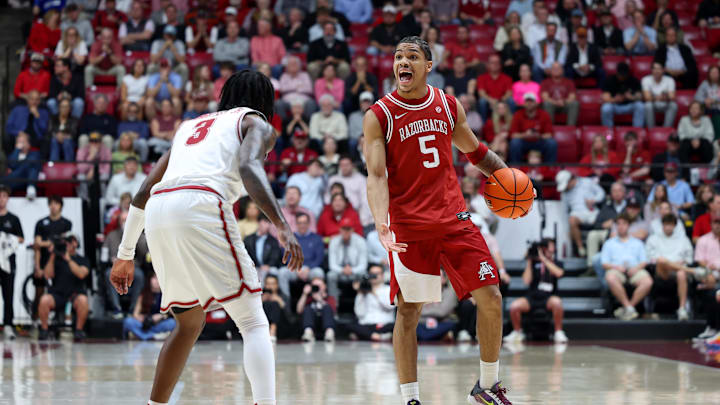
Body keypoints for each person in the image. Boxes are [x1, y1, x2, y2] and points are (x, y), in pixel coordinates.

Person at [109, 69, 304, 405]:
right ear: (264, 102)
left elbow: (142, 192)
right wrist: (282, 225)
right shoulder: (255, 121)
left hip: (159, 209)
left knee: (188, 323)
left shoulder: (189, 127)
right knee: (253, 320)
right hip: (200, 203)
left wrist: (125, 254)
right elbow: (249, 167)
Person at [364, 36, 520, 405]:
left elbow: (475, 152)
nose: (403, 62)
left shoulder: (448, 105)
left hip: (454, 219)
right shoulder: (380, 114)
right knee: (408, 311)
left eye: (412, 57)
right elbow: (376, 175)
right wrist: (380, 223)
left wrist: (508, 177)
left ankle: (486, 386)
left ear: (427, 66)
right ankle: (411, 398)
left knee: (492, 296)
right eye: (398, 56)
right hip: (409, 226)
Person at [505, 239, 568, 343]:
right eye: (549, 246)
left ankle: (558, 332)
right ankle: (517, 332)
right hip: (532, 297)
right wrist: (530, 260)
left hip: (548, 297)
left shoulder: (557, 262)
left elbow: (559, 273)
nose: (551, 248)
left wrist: (544, 260)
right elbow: (526, 280)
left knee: (557, 303)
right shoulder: (533, 263)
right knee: (514, 306)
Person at [601, 213, 653, 321]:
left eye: (624, 223)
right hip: (617, 270)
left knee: (648, 281)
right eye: (618, 224)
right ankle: (629, 307)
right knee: (610, 277)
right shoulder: (609, 243)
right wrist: (616, 267)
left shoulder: (638, 243)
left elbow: (644, 261)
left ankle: (628, 308)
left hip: (635, 270)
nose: (621, 226)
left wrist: (636, 268)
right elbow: (604, 263)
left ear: (629, 225)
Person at [37, 235, 90, 340]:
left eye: (69, 242)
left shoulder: (82, 259)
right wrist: (53, 255)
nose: (67, 245)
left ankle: (79, 331)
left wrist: (68, 259)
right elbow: (47, 275)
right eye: (66, 242)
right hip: (58, 294)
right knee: (44, 300)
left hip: (75, 294)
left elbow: (81, 274)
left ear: (75, 243)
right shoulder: (55, 259)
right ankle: (44, 330)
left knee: (83, 300)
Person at [645, 212, 695, 320]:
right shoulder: (653, 238)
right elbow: (651, 259)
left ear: (675, 226)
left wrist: (680, 264)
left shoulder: (683, 239)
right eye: (666, 224)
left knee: (681, 273)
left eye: (670, 224)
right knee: (662, 261)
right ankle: (691, 271)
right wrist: (673, 264)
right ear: (662, 225)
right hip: (661, 272)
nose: (668, 227)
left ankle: (682, 309)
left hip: (679, 272)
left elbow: (689, 258)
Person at [104, 210, 147, 318]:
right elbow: (105, 255)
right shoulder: (111, 235)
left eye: (127, 220)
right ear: (119, 221)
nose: (125, 223)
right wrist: (111, 260)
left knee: (139, 276)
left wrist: (134, 237)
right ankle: (117, 308)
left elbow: (144, 253)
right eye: (123, 220)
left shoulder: (138, 235)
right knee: (109, 274)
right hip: (115, 266)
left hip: (133, 267)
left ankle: (132, 310)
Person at [556, 170, 606, 257]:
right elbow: (565, 212)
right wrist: (567, 229)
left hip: (593, 212)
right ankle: (581, 249)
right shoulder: (564, 193)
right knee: (571, 220)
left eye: (566, 184)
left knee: (603, 222)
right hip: (577, 215)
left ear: (570, 180)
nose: (565, 187)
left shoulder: (587, 182)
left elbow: (601, 193)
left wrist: (594, 200)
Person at [276, 212, 324, 299]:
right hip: (294, 269)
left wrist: (307, 268)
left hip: (310, 269)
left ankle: (317, 302)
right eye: (300, 223)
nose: (302, 225)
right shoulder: (289, 238)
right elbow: (286, 257)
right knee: (282, 272)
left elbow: (319, 258)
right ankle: (286, 303)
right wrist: (297, 269)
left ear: (309, 224)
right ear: (296, 224)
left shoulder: (317, 238)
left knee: (319, 272)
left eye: (305, 223)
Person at [346, 263, 394, 341]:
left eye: (377, 274)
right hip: (367, 324)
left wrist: (374, 292)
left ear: (382, 275)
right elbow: (359, 313)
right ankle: (376, 336)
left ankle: (365, 335)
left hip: (384, 324)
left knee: (395, 326)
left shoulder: (388, 289)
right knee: (350, 325)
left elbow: (390, 306)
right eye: (372, 274)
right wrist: (360, 292)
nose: (374, 276)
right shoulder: (364, 291)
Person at [0, 186, 24, 339]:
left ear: (7, 198)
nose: (1, 199)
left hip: (8, 262)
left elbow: (21, 238)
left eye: (3, 196)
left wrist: (7, 239)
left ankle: (8, 324)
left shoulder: (13, 219)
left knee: (8, 293)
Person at [123, 273, 176, 340]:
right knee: (128, 321)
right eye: (154, 278)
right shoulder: (144, 294)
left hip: (159, 324)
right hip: (145, 324)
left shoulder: (166, 296)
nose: (156, 281)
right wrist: (143, 318)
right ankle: (153, 336)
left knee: (172, 323)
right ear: (150, 279)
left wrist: (161, 316)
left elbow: (174, 314)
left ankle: (141, 336)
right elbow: (135, 314)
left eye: (159, 278)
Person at [509, 92, 557, 163]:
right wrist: (525, 135)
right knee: (515, 142)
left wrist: (538, 135)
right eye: (527, 101)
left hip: (539, 141)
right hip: (524, 141)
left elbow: (549, 134)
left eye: (531, 101)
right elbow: (513, 135)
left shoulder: (544, 114)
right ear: (524, 103)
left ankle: (549, 168)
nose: (529, 103)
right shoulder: (518, 114)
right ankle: (516, 168)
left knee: (551, 143)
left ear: (536, 103)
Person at [327, 217, 368, 300]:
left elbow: (363, 265)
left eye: (348, 229)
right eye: (343, 229)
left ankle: (362, 305)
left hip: (355, 271)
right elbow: (332, 265)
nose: (345, 232)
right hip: (340, 272)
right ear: (339, 229)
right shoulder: (334, 241)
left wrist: (352, 270)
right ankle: (333, 306)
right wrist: (343, 270)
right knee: (330, 275)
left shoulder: (360, 241)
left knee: (363, 275)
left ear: (352, 230)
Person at [326, 156, 371, 228]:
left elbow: (365, 201)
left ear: (352, 165)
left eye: (347, 165)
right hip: (335, 215)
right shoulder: (333, 180)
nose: (344, 167)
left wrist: (363, 219)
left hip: (356, 214)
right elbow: (327, 200)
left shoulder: (361, 179)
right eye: (342, 165)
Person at [601, 62, 644, 127]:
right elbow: (605, 98)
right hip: (615, 105)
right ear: (617, 73)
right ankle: (608, 131)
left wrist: (632, 97)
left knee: (640, 106)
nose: (622, 77)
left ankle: (637, 130)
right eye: (620, 75)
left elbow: (640, 96)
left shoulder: (633, 80)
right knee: (606, 108)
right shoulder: (610, 80)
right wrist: (615, 99)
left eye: (624, 75)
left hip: (629, 105)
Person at [297, 275, 336, 342]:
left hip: (326, 325)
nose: (318, 287)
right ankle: (308, 333)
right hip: (311, 325)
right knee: (308, 308)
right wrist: (304, 294)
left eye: (320, 285)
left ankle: (329, 333)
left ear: (324, 286)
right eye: (315, 285)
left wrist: (320, 299)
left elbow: (333, 311)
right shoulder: (309, 298)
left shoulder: (330, 298)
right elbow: (299, 310)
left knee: (327, 307)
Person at [244, 216, 283, 283]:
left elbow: (275, 256)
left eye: (269, 223)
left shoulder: (273, 241)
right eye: (265, 222)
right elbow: (245, 255)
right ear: (259, 222)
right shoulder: (248, 239)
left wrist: (269, 265)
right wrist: (252, 265)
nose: (267, 225)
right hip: (253, 267)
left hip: (269, 267)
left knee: (269, 272)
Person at [477, 54, 515, 121]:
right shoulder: (481, 78)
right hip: (489, 102)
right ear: (488, 65)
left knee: (511, 101)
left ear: (500, 65)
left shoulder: (507, 78)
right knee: (482, 101)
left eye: (497, 62)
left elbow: (509, 93)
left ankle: (512, 122)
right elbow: (481, 93)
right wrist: (490, 100)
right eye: (492, 63)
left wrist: (499, 101)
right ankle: (483, 123)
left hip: (502, 101)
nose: (495, 64)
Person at [641, 62, 677, 128]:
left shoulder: (670, 80)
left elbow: (672, 97)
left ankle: (666, 130)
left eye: (659, 69)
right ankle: (651, 129)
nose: (657, 71)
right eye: (654, 69)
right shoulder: (646, 79)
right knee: (647, 105)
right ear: (651, 70)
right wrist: (662, 97)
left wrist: (654, 97)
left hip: (665, 103)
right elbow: (647, 98)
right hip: (653, 104)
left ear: (663, 70)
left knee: (673, 105)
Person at [261, 274, 292, 342]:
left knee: (275, 304)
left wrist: (280, 302)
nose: (270, 286)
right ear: (265, 285)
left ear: (277, 285)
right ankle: (269, 331)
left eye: (273, 284)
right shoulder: (260, 296)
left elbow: (290, 317)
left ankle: (273, 329)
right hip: (263, 327)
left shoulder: (283, 296)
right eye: (268, 284)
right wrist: (260, 302)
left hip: (280, 327)